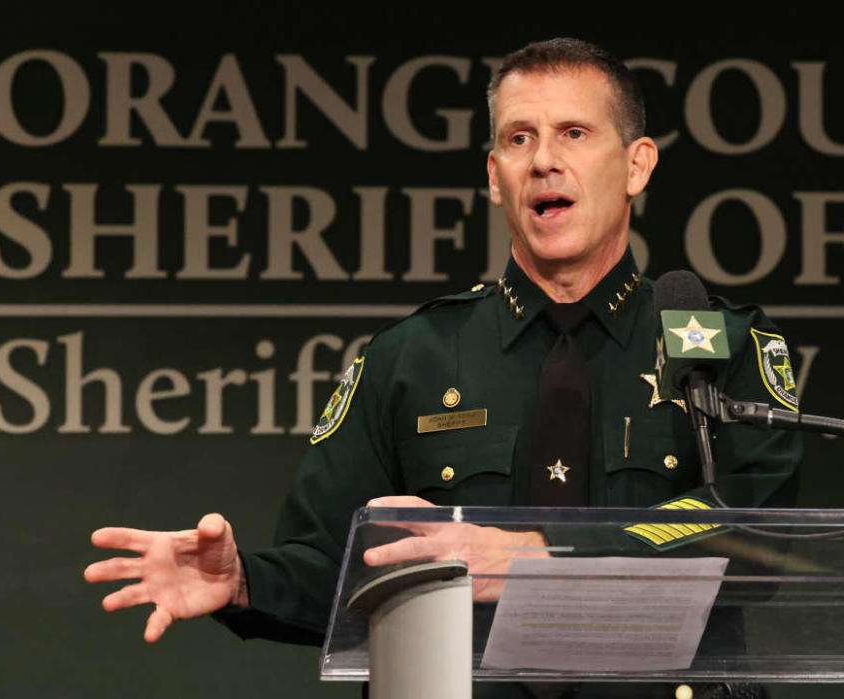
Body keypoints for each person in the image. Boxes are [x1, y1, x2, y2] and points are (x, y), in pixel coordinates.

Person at [85, 38, 803, 697]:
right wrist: (244, 579)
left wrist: (537, 553)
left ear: (637, 163)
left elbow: (760, 529)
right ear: (495, 176)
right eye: (519, 139)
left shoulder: (717, 344)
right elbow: (337, 565)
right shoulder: (410, 356)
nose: (544, 160)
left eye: (574, 134)